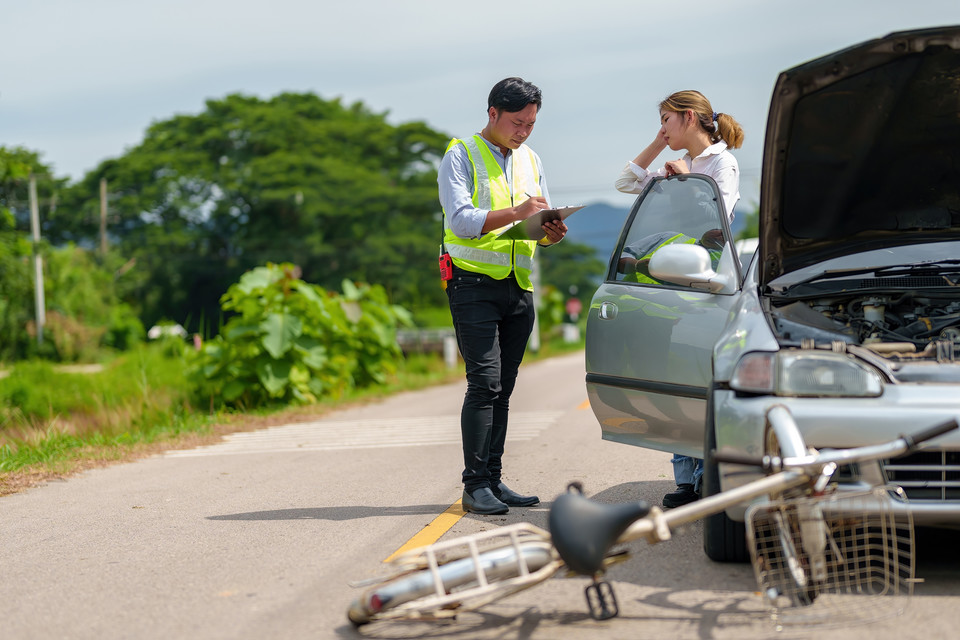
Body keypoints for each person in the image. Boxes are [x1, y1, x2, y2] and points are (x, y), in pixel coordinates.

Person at [437, 77, 568, 515]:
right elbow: (460, 221)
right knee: (484, 384)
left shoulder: (531, 158)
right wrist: (516, 212)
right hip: (472, 284)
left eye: (531, 123)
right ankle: (474, 486)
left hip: (519, 285)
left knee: (505, 388)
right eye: (517, 122)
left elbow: (532, 226)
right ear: (492, 113)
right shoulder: (461, 155)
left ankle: (492, 479)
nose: (524, 131)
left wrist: (550, 233)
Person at [614, 89, 744, 509]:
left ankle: (706, 475)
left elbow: (716, 218)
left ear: (688, 117)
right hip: (670, 279)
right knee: (674, 376)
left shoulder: (722, 163)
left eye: (666, 121)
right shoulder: (672, 166)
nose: (662, 129)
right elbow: (626, 181)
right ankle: (685, 480)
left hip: (704, 279)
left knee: (698, 376)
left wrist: (687, 176)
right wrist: (659, 148)